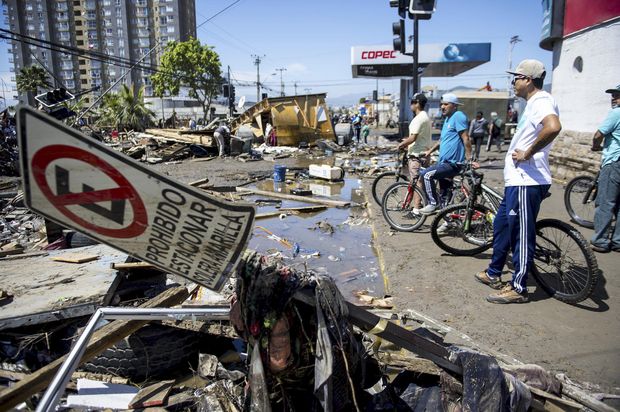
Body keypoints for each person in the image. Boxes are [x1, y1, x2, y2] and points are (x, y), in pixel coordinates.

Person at [475, 59, 562, 304]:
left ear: (528, 80)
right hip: (517, 181)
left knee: (521, 234)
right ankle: (494, 273)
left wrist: (528, 152)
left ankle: (518, 288)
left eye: (516, 78)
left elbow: (553, 127)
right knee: (501, 225)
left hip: (527, 181)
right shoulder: (532, 103)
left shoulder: (541, 100)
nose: (513, 82)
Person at [418, 93, 473, 215]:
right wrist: (429, 151)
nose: (442, 107)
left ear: (454, 106)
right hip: (444, 163)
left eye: (446, 104)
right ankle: (448, 221)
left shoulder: (458, 116)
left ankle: (432, 203)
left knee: (426, 175)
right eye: (441, 104)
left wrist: (470, 158)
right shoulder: (448, 119)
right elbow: (441, 140)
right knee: (445, 198)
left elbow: (466, 138)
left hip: (452, 164)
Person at [590, 84, 620, 253]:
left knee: (605, 202)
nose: (614, 98)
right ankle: (617, 241)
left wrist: (596, 146)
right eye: (613, 95)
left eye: (617, 95)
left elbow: (598, 134)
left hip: (614, 161)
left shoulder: (616, 113)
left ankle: (600, 241)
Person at [397, 93, 431, 209]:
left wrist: (401, 145)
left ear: (417, 104)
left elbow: (413, 138)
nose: (410, 105)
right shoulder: (425, 116)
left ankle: (416, 209)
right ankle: (414, 205)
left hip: (417, 155)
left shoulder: (418, 118)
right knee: (418, 181)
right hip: (424, 153)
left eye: (412, 102)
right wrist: (407, 143)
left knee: (418, 183)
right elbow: (418, 137)